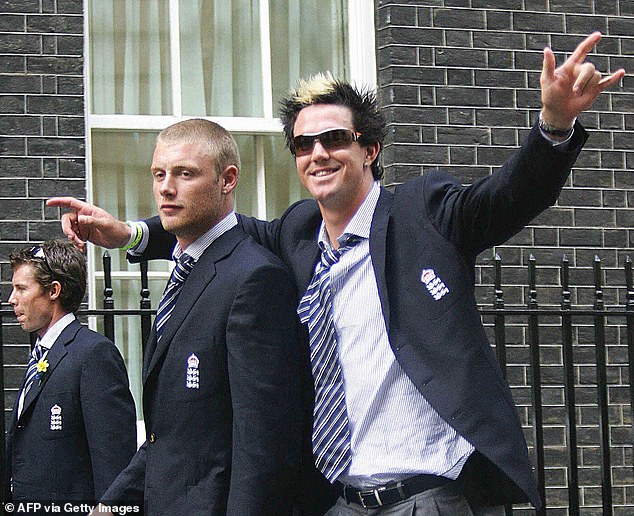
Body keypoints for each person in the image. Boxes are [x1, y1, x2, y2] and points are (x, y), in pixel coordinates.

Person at [48, 32, 625, 515]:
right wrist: (129, 234)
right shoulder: (298, 233)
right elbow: (226, 229)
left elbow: (506, 198)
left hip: (431, 495)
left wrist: (552, 126)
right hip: (343, 499)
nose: (317, 153)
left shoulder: (425, 213)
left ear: (369, 149)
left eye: (334, 139)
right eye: (303, 144)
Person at [77, 119, 303, 515]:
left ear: (227, 180)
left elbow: (264, 442)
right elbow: (172, 434)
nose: (166, 187)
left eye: (185, 173)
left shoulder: (255, 277)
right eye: (159, 174)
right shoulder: (189, 270)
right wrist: (112, 505)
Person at [6, 239, 136, 504]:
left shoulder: (94, 354)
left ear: (53, 291)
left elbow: (113, 459)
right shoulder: (41, 353)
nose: (12, 300)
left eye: (21, 289)